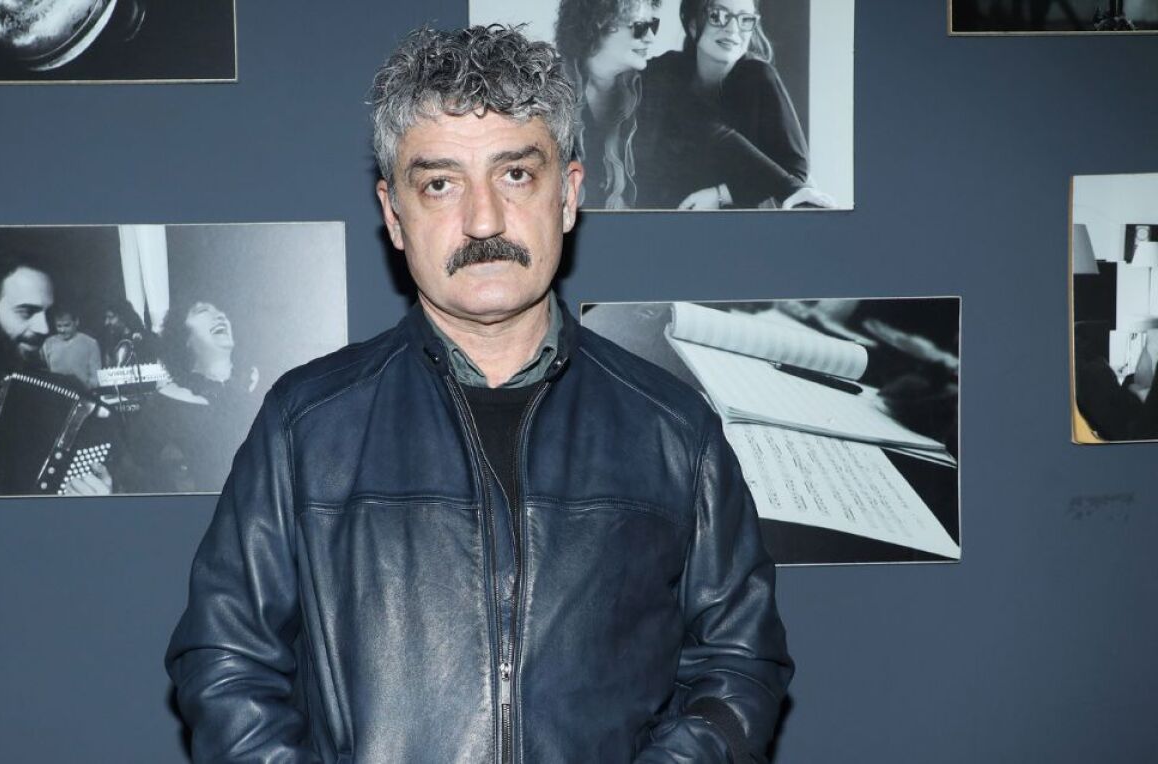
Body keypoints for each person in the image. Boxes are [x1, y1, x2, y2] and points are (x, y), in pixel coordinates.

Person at [166, 24, 790, 763]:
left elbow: (738, 666)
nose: (484, 220)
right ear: (394, 216)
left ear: (569, 195)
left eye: (516, 174)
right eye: (440, 184)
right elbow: (226, 662)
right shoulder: (306, 424)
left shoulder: (675, 431)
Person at [635, 0, 833, 210]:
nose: (732, 29)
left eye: (745, 19)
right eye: (718, 16)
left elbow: (796, 168)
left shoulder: (759, 77)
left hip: (747, 215)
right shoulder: (667, 71)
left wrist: (722, 194)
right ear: (692, 24)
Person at [0, 250, 112, 496]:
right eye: (26, 312)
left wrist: (94, 498)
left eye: (47, 314)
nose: (44, 328)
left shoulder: (71, 398)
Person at [129, 297, 260, 493]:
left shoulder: (260, 390)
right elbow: (142, 478)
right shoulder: (162, 407)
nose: (220, 315)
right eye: (203, 311)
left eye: (220, 311)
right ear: (185, 339)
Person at [554, 0, 661, 209]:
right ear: (600, 23)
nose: (651, 37)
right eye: (640, 27)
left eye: (653, 25)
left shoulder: (655, 90)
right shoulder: (543, 90)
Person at [41, 308, 102, 389]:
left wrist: (85, 390)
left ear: (76, 322)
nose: (62, 330)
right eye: (59, 326)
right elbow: (45, 374)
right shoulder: (48, 343)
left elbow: (96, 378)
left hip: (82, 393)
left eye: (67, 325)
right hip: (56, 393)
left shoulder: (91, 343)